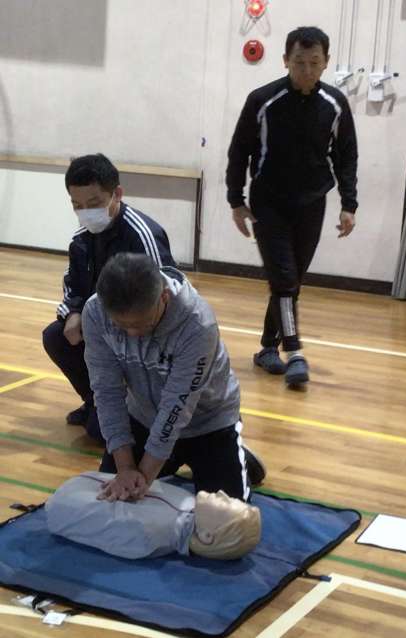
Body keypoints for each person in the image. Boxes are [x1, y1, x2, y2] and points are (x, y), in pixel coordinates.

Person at [226, 26, 358, 386]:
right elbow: (239, 151)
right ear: (286, 60)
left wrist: (349, 204)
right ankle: (295, 353)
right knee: (284, 278)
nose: (307, 70)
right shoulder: (262, 100)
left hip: (312, 203)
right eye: (300, 62)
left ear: (326, 62)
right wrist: (236, 200)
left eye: (315, 62)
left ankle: (267, 348)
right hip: (268, 204)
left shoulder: (335, 103)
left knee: (291, 280)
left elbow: (346, 155)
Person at [81, 252, 266, 501]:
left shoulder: (197, 324)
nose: (133, 334)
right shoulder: (95, 312)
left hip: (208, 423)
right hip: (143, 416)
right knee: (112, 501)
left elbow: (177, 407)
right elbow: (106, 390)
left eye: (143, 324)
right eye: (122, 326)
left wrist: (143, 479)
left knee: (227, 517)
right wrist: (125, 469)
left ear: (164, 297)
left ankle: (233, 455)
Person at [42, 153, 176, 439]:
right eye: (77, 206)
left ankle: (135, 407)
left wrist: (126, 324)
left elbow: (165, 292)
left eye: (94, 204)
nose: (85, 212)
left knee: (103, 434)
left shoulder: (142, 234)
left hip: (138, 333)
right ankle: (94, 401)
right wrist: (73, 313)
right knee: (55, 336)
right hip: (103, 330)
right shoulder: (81, 239)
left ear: (117, 194)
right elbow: (73, 286)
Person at [45, 471, 261, 560]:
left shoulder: (146, 535)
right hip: (81, 486)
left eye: (225, 504)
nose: (222, 494)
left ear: (206, 536)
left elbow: (98, 519)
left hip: (65, 500)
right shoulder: (187, 502)